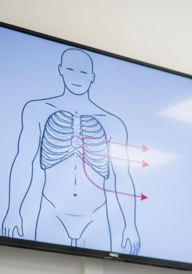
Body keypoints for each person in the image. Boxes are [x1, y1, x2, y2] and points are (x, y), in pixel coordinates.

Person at [2, 49, 140, 253]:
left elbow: (123, 176)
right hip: (52, 210)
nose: (77, 78)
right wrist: (13, 211)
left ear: (92, 77)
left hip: (96, 216)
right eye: (70, 70)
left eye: (83, 73)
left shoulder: (112, 123)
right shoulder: (37, 110)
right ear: (60, 70)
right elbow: (23, 161)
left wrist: (131, 225)